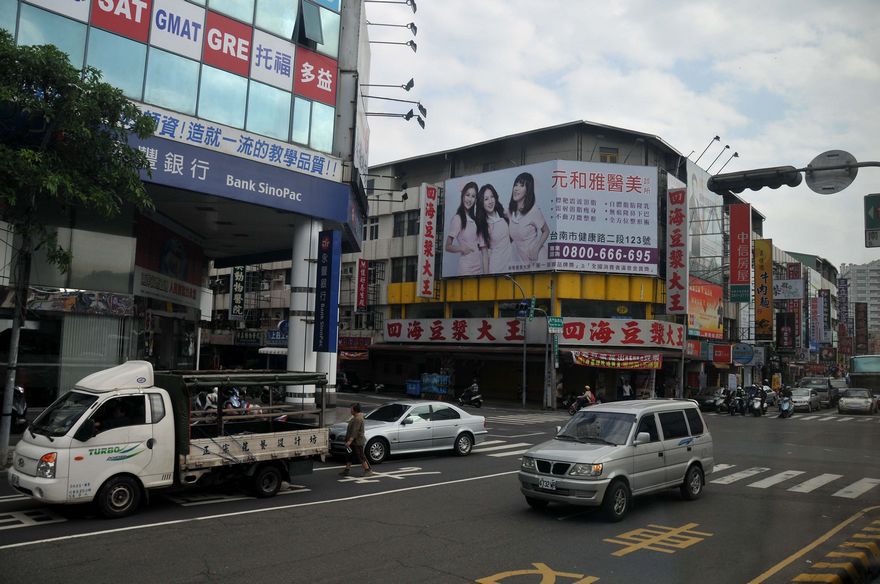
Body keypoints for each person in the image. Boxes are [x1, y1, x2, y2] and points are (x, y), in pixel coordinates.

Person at [507, 172, 550, 267]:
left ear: (527, 191)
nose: (516, 188)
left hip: (537, 258)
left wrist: (536, 249)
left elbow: (546, 231)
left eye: (521, 186)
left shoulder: (533, 211)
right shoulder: (510, 212)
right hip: (520, 261)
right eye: (516, 185)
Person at [474, 184, 513, 274]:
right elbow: (484, 255)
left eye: (492, 197)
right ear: (481, 203)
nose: (490, 201)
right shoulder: (482, 226)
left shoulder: (504, 214)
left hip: (512, 265)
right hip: (496, 268)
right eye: (486, 199)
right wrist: (487, 278)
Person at [445, 181, 482, 275]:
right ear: (462, 196)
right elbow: (447, 246)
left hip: (479, 265)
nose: (469, 199)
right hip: (467, 267)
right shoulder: (458, 219)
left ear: (476, 199)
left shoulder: (475, 219)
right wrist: (462, 248)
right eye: (467, 195)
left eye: (473, 196)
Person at [340, 403, 373, 477]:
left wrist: (349, 441)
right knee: (350, 455)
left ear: (355, 410)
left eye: (351, 409)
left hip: (357, 441)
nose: (350, 410)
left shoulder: (358, 418)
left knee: (360, 455)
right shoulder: (355, 417)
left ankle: (368, 470)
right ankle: (347, 470)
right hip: (354, 441)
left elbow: (355, 431)